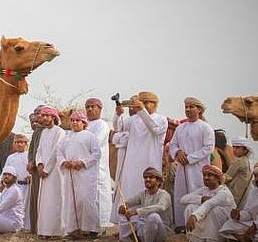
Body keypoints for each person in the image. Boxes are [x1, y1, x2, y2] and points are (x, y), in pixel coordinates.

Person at [111, 92, 168, 225]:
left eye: (146, 102)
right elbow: (118, 127)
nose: (142, 105)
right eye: (141, 102)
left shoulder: (161, 119)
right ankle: (128, 228)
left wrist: (141, 111)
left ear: (154, 104)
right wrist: (118, 114)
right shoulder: (134, 119)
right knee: (129, 191)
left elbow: (154, 129)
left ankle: (148, 228)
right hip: (132, 164)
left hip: (150, 161)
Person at [168, 97, 215, 230]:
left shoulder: (206, 128)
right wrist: (177, 153)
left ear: (199, 109)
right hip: (181, 169)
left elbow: (208, 148)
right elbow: (173, 144)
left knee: (197, 195)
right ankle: (181, 225)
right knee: (180, 196)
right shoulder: (180, 128)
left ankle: (199, 226)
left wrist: (190, 158)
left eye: (191, 107)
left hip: (198, 169)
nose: (187, 109)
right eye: (186, 107)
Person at [58, 111, 101, 238]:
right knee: (71, 201)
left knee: (85, 200)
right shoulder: (66, 137)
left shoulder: (90, 136)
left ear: (84, 123)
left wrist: (82, 163)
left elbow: (96, 154)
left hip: (85, 174)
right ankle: (73, 229)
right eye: (72, 120)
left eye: (78, 120)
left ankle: (91, 229)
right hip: (70, 174)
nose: (74, 123)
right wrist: (64, 162)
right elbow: (59, 153)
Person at [118, 167, 173, 242]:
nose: (147, 179)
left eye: (151, 177)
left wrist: (137, 211)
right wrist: (123, 207)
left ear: (158, 181)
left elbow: (161, 207)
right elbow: (128, 202)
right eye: (145, 177)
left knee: (153, 217)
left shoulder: (164, 195)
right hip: (144, 232)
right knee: (125, 216)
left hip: (161, 234)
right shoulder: (143, 194)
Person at [181, 164, 236, 242]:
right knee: (190, 207)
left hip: (224, 221)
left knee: (215, 210)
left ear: (218, 178)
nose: (206, 178)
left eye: (209, 175)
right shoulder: (204, 190)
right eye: (204, 175)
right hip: (206, 218)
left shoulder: (224, 192)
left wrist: (194, 216)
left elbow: (209, 204)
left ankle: (215, 241)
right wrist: (201, 199)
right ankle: (196, 240)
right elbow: (183, 199)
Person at [33, 106, 66, 237]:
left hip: (55, 171)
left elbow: (56, 151)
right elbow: (39, 151)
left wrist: (47, 168)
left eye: (47, 116)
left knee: (56, 199)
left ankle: (57, 231)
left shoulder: (60, 132)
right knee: (45, 201)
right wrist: (40, 164)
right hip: (44, 172)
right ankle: (45, 231)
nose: (44, 118)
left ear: (53, 117)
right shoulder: (44, 132)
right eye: (43, 116)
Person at [84, 98, 113, 229]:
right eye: (87, 107)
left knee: (100, 195)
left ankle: (103, 223)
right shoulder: (84, 125)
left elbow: (94, 143)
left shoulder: (103, 125)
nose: (89, 109)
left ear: (99, 109)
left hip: (98, 166)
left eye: (93, 107)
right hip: (85, 167)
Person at [3, 133, 31, 230]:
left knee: (26, 207)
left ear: (26, 144)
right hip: (15, 186)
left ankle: (27, 227)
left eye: (22, 142)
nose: (19, 144)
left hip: (27, 186)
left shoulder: (30, 156)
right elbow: (5, 171)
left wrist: (30, 176)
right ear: (14, 144)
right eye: (17, 142)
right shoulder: (11, 157)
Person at [0, 168, 24, 236]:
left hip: (13, 223)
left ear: (14, 178)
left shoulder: (14, 190)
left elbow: (1, 208)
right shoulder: (6, 189)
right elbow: (0, 207)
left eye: (9, 174)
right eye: (5, 174)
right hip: (4, 219)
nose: (6, 176)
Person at [25, 107, 44, 233]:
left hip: (45, 169)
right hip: (36, 169)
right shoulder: (37, 131)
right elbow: (32, 149)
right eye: (36, 113)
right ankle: (35, 227)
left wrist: (38, 162)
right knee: (35, 198)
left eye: (39, 114)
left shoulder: (51, 131)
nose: (37, 116)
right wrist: (31, 161)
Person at [224, 137, 253, 209]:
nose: (234, 150)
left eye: (237, 148)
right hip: (243, 194)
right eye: (233, 147)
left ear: (245, 149)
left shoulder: (238, 161)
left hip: (235, 194)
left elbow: (227, 177)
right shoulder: (247, 160)